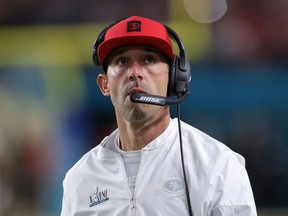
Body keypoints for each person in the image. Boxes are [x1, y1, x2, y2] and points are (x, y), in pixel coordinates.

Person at [60, 16, 257, 216]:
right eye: (122, 61)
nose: (135, 73)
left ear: (174, 78)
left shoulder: (217, 165)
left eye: (149, 59)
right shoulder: (79, 179)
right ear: (104, 85)